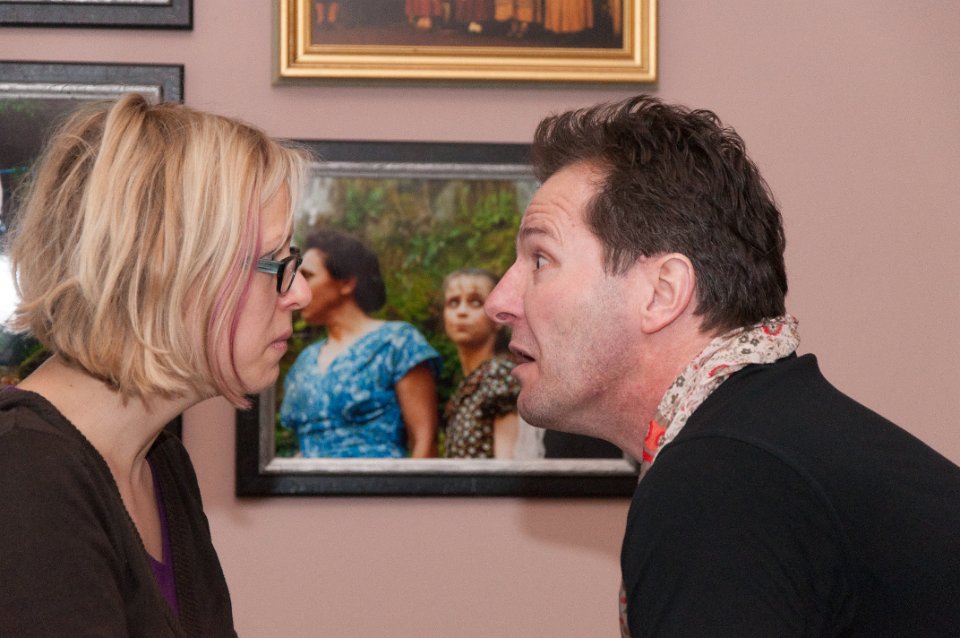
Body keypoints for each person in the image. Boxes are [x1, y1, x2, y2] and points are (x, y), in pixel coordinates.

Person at [483, 94, 960, 637]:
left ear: (662, 293)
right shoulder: (768, 443)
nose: (500, 301)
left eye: (540, 259)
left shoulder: (723, 482)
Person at [0, 94, 312, 636]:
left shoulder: (158, 461)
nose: (300, 292)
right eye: (275, 263)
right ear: (168, 271)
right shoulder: (23, 476)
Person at [280, 229, 440, 458]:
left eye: (308, 275)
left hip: (379, 480)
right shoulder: (304, 362)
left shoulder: (397, 343)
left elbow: (425, 442)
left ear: (346, 282)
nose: (298, 287)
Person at [440, 268, 521, 458]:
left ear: (499, 318)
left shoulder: (501, 375)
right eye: (453, 302)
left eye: (475, 302)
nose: (461, 312)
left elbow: (508, 465)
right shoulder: (472, 380)